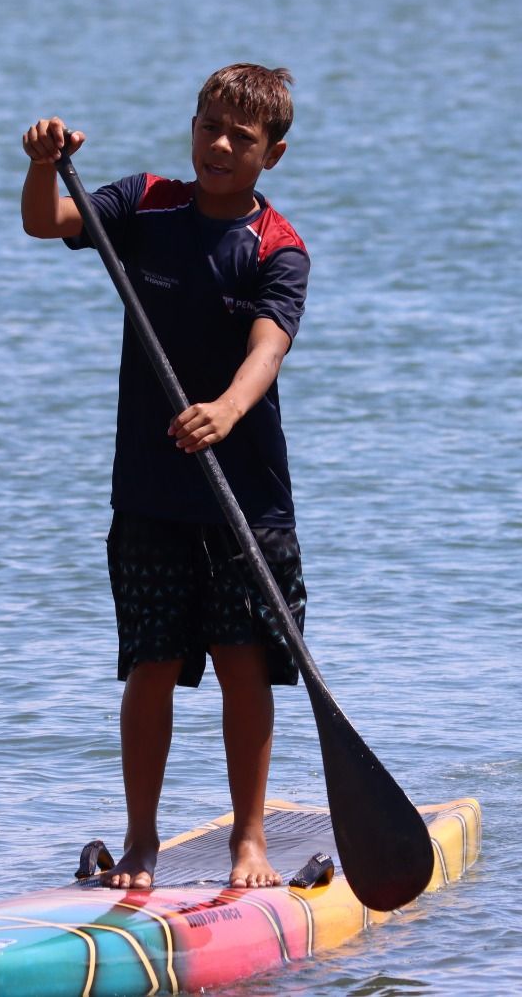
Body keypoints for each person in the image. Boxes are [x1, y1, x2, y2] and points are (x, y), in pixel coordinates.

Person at [19, 64, 310, 891]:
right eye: (208, 126)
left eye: (241, 137)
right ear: (192, 126)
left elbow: (268, 349)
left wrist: (225, 409)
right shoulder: (144, 203)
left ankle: (249, 843)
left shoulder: (278, 248)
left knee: (241, 661)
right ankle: (141, 842)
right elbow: (48, 223)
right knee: (150, 665)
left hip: (243, 499)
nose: (219, 145)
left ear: (272, 155)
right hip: (148, 493)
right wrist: (43, 163)